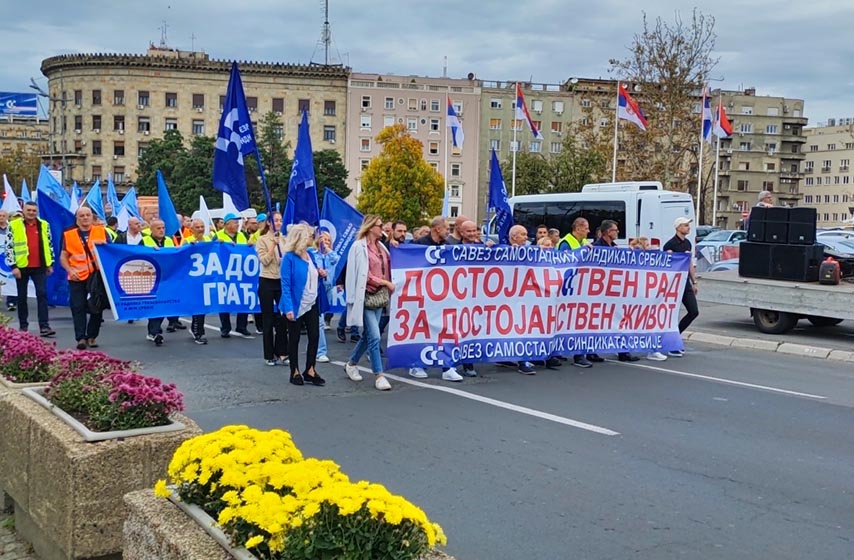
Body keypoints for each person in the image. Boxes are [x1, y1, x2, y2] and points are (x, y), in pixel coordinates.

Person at [409, 216, 464, 381]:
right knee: (423, 331)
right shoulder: (419, 245)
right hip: (422, 296)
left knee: (445, 331)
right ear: (437, 229)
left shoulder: (447, 246)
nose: (448, 231)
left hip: (442, 296)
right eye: (446, 228)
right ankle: (417, 364)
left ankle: (447, 367)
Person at [343, 214, 394, 391]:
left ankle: (351, 363)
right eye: (380, 226)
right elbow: (360, 273)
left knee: (369, 335)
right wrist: (384, 282)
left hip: (379, 297)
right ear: (371, 227)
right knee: (375, 336)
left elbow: (387, 266)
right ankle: (379, 375)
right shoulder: (358, 247)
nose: (383, 229)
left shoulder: (382, 247)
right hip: (364, 295)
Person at [280, 224, 326, 387]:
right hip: (296, 303)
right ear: (301, 237)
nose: (312, 237)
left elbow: (310, 276)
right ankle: (295, 371)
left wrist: (320, 274)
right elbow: (285, 284)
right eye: (310, 235)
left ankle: (310, 369)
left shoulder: (310, 255)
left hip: (311, 302)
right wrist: (288, 308)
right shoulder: (289, 257)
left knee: (314, 336)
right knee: (294, 338)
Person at [60, 207, 108, 350]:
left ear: (92, 217)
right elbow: (63, 257)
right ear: (77, 218)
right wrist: (69, 270)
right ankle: (81, 337)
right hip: (77, 275)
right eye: (82, 216)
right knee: (78, 306)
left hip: (97, 275)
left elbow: (112, 251)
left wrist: (105, 246)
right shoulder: (68, 234)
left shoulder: (102, 231)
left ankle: (92, 336)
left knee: (97, 306)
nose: (85, 218)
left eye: (88, 215)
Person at [5, 201, 55, 336]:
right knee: (22, 297)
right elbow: (9, 246)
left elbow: (49, 244)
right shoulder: (14, 225)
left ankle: (44, 326)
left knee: (42, 295)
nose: (31, 213)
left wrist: (50, 263)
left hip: (39, 266)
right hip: (22, 267)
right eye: (29, 210)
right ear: (23, 210)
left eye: (34, 210)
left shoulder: (44, 225)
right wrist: (13, 266)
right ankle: (23, 326)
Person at [592, 220, 639, 362]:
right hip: (599, 293)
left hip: (614, 292)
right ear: (607, 232)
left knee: (620, 320)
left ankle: (623, 351)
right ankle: (590, 351)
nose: (617, 232)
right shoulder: (596, 247)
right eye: (615, 230)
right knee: (597, 322)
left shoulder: (615, 248)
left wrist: (629, 254)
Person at [663, 217, 699, 357]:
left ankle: (675, 336)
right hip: (673, 284)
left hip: (685, 283)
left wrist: (694, 281)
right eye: (685, 225)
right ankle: (672, 343)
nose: (688, 228)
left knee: (693, 311)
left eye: (688, 225)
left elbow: (689, 263)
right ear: (678, 228)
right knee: (671, 314)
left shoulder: (688, 243)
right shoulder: (670, 244)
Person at [255, 213, 288, 365]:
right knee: (268, 319)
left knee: (283, 318)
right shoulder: (262, 240)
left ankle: (282, 351)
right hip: (267, 281)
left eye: (280, 220)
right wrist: (273, 245)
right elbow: (265, 261)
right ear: (269, 223)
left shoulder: (285, 239)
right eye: (276, 220)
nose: (279, 223)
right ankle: (269, 354)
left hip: (281, 281)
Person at [142, 219, 181, 345]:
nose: (161, 230)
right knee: (155, 305)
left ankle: (160, 328)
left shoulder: (169, 241)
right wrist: (148, 251)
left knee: (164, 305)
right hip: (151, 279)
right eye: (158, 228)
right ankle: (154, 332)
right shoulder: (144, 241)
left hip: (167, 278)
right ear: (151, 230)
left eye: (163, 228)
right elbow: (136, 256)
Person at [630, 236, 667, 361]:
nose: (649, 248)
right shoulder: (638, 259)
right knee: (648, 323)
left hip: (641, 296)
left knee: (639, 324)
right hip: (641, 297)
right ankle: (652, 350)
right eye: (647, 246)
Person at [216, 213, 253, 338]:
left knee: (243, 297)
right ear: (227, 224)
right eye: (235, 223)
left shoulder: (242, 235)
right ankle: (225, 327)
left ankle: (242, 326)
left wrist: (249, 246)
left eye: (238, 223)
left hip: (241, 272)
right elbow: (211, 251)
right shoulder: (218, 235)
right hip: (224, 273)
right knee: (224, 299)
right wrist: (217, 243)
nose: (237, 225)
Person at [312, 229, 339, 364]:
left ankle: (315, 346)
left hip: (328, 289)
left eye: (328, 240)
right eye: (324, 239)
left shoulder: (330, 255)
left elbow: (336, 260)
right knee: (320, 321)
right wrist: (318, 271)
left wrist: (327, 249)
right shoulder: (313, 254)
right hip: (317, 289)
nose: (326, 242)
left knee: (319, 320)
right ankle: (321, 351)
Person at [185, 219, 212, 344]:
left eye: (202, 226)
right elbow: (180, 255)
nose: (200, 229)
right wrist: (188, 246)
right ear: (192, 229)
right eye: (197, 227)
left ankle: (197, 329)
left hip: (206, 279)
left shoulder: (208, 240)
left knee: (203, 306)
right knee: (198, 305)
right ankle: (198, 332)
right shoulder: (187, 240)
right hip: (193, 279)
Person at [0, 210, 16, 311]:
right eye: (0, 216)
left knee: (11, 280)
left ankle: (12, 301)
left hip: (8, 259)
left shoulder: (12, 228)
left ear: (7, 217)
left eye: (3, 216)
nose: (1, 217)